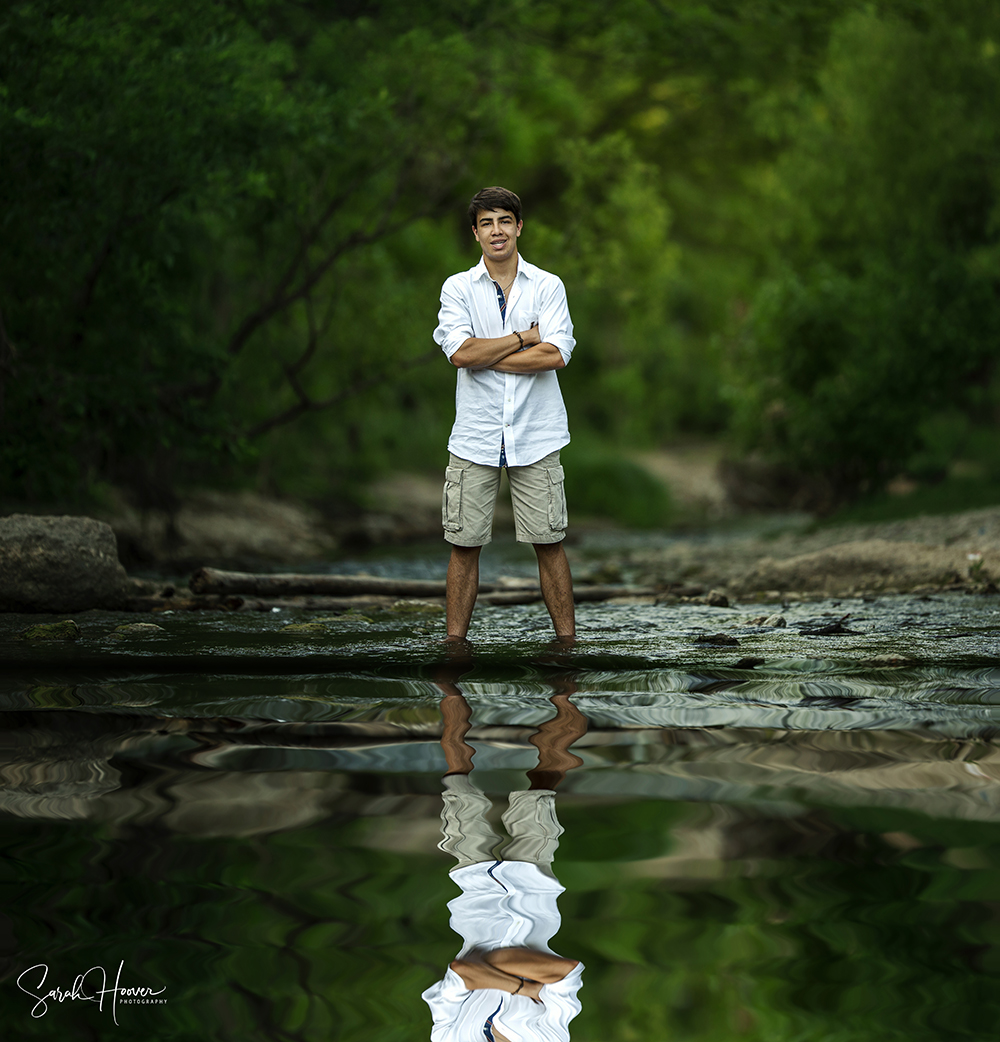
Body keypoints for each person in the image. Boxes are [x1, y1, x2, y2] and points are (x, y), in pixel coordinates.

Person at [433, 186, 576, 642]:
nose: (497, 230)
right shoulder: (457, 287)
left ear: (519, 227)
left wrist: (485, 352)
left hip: (536, 434)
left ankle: (568, 648)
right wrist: (522, 337)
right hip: (474, 436)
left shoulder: (548, 285)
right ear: (475, 233)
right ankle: (455, 649)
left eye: (505, 221)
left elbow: (555, 354)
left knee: (549, 544)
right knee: (464, 545)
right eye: (487, 223)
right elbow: (459, 354)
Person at [422, 670, 588, 1041]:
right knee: (545, 784)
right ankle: (566, 679)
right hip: (533, 890)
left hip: (473, 891)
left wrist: (526, 986)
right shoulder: (550, 1038)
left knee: (456, 778)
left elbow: (461, 969)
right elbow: (567, 970)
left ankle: (450, 677)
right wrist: (498, 972)